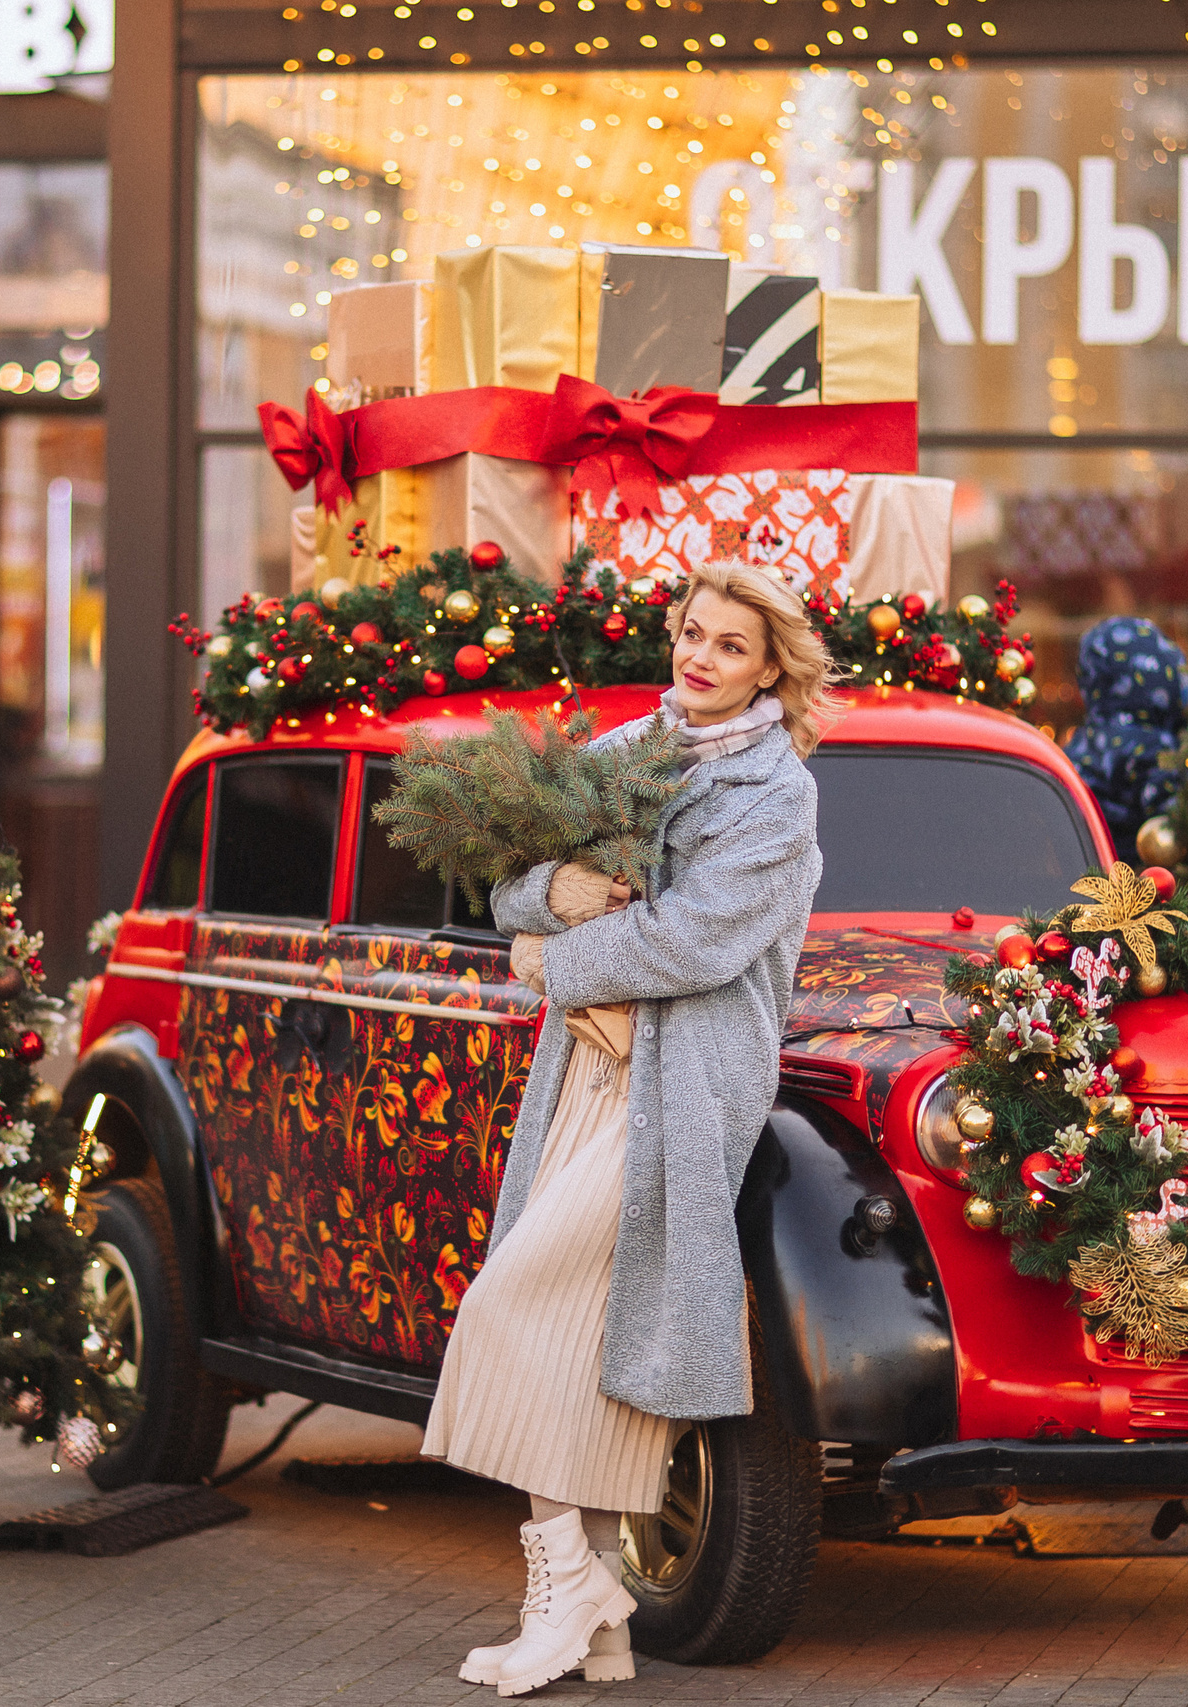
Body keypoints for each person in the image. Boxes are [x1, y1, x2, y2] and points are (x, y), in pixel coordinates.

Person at [421, 559, 834, 1697]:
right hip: (586, 1079)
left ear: (770, 669)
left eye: (729, 647)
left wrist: (551, 959)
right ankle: (591, 1626)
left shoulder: (773, 795)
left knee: (516, 1310)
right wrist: (544, 900)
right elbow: (507, 879)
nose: (698, 659)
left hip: (681, 1088)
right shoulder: (624, 754)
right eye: (692, 634)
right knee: (591, 1356)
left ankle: (573, 1586)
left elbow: (695, 942)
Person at [1060, 614, 1188, 863]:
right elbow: (1180, 820)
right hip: (1141, 881)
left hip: (1087, 872)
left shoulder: (1084, 739)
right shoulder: (1150, 747)